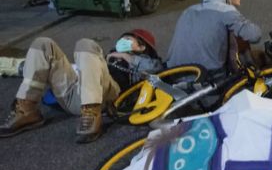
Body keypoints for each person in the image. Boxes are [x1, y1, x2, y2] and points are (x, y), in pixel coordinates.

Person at [0, 30, 162, 143]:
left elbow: (158, 68)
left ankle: (92, 113)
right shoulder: (105, 57)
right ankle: (27, 109)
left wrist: (126, 56)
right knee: (43, 44)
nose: (123, 41)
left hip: (109, 96)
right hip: (77, 94)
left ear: (142, 47)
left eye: (129, 39)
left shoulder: (144, 60)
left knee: (85, 44)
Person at [167, 0, 262, 75]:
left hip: (173, 73)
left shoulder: (188, 11)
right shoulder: (225, 11)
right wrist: (241, 21)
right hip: (206, 78)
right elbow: (255, 35)